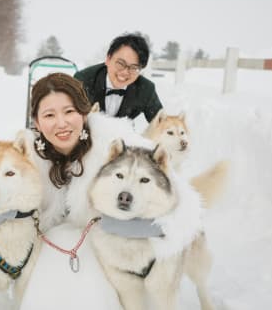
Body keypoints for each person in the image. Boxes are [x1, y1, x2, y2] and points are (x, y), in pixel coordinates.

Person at [19, 72, 202, 309]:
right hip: (49, 249)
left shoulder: (114, 139)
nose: (61, 123)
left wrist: (153, 230)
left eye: (69, 111)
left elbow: (178, 195)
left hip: (102, 250)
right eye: (49, 115)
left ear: (84, 112)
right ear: (36, 120)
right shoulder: (26, 156)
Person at [74, 33, 162, 122]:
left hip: (123, 133)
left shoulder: (146, 89)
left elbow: (162, 123)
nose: (125, 72)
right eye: (120, 63)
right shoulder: (82, 81)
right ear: (108, 59)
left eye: (134, 67)